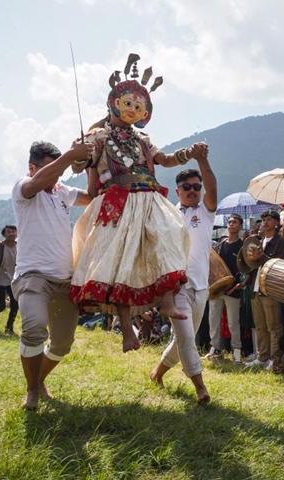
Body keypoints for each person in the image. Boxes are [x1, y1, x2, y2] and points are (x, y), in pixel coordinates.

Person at [69, 54, 209, 353]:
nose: (132, 108)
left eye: (138, 105)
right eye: (128, 103)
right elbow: (80, 164)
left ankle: (168, 301)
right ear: (115, 103)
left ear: (145, 110)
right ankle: (126, 329)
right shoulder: (99, 135)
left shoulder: (144, 139)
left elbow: (167, 160)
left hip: (148, 199)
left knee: (171, 234)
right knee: (119, 262)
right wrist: (78, 153)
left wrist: (190, 153)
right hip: (117, 202)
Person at [12, 140, 93, 410]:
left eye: (58, 170)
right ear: (31, 167)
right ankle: (32, 390)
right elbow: (36, 184)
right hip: (33, 275)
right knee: (34, 328)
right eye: (49, 169)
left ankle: (38, 380)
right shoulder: (24, 186)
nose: (56, 175)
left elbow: (92, 196)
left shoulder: (62, 191)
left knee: (62, 343)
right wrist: (70, 156)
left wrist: (89, 162)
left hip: (64, 278)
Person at [149, 161, 217, 404]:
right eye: (186, 187)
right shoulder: (169, 216)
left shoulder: (206, 212)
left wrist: (202, 160)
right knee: (189, 339)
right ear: (177, 191)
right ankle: (200, 387)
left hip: (202, 287)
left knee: (182, 340)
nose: (192, 190)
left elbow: (213, 186)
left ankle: (156, 373)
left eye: (197, 187)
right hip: (177, 289)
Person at [244, 209, 284, 369]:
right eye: (263, 219)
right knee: (260, 325)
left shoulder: (280, 242)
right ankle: (262, 356)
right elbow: (251, 265)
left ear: (277, 222)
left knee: (274, 326)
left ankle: (274, 359)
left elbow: (279, 265)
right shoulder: (259, 240)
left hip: (270, 288)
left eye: (269, 219)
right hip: (256, 288)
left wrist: (261, 257)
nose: (265, 222)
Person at [205, 213, 245, 363]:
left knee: (233, 322)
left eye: (234, 222)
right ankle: (215, 348)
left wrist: (240, 284)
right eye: (229, 222)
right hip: (217, 289)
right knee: (213, 319)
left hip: (234, 289)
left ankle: (237, 352)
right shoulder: (220, 244)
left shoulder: (242, 246)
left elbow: (246, 268)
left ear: (240, 225)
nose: (231, 224)